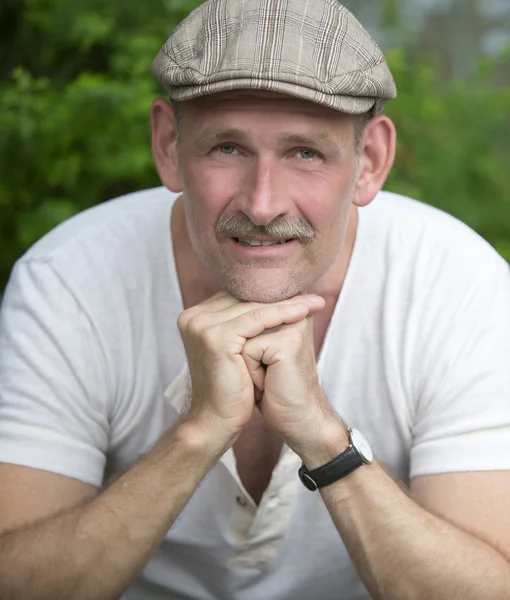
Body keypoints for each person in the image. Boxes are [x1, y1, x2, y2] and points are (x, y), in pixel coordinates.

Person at [0, 0, 509, 598]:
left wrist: (323, 437)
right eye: (227, 148)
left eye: (305, 153)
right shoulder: (68, 281)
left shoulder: (459, 284)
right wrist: (200, 431)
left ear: (369, 161)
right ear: (168, 145)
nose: (263, 205)